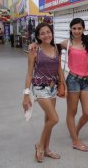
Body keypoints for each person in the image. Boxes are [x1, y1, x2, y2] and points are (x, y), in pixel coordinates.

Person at [22, 23, 65, 163]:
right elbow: (29, 74)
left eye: (48, 32)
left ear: (52, 33)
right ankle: (40, 145)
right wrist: (26, 95)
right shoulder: (34, 51)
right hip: (40, 88)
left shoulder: (57, 49)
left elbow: (59, 69)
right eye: (42, 33)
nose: (46, 35)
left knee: (48, 120)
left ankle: (46, 150)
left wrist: (63, 85)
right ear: (38, 36)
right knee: (54, 119)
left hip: (53, 88)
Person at [59, 18, 88, 152]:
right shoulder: (66, 43)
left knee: (87, 113)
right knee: (72, 112)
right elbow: (49, 46)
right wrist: (35, 44)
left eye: (79, 28)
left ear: (83, 29)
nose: (77, 31)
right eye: (74, 28)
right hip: (73, 80)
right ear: (70, 29)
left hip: (87, 81)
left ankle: (75, 130)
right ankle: (75, 141)